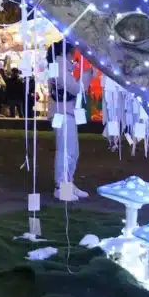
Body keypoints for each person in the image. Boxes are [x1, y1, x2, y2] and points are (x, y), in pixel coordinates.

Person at [47, 41, 96, 202]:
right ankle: (61, 186)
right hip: (63, 113)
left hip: (67, 113)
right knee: (66, 151)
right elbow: (75, 88)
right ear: (67, 52)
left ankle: (68, 183)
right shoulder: (60, 65)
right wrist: (87, 72)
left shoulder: (64, 65)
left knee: (71, 150)